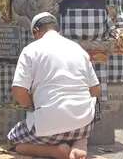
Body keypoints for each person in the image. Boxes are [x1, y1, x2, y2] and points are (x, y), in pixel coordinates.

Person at [7, 12, 102, 159]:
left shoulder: (31, 50)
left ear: (36, 31)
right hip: (84, 127)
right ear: (57, 29)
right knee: (85, 113)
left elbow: (18, 91)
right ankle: (79, 143)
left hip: (48, 129)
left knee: (14, 140)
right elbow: (96, 90)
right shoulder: (78, 49)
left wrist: (31, 105)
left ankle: (55, 152)